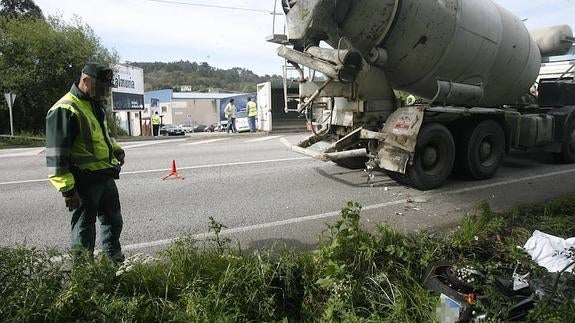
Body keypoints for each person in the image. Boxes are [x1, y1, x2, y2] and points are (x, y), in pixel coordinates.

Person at [45, 62, 126, 263]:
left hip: (105, 175)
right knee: (84, 229)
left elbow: (103, 135)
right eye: (101, 87)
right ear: (86, 81)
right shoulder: (65, 108)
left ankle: (113, 265)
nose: (104, 92)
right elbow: (57, 155)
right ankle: (83, 276)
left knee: (113, 221)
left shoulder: (94, 105)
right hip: (83, 180)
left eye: (107, 88)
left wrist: (116, 149)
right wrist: (68, 190)